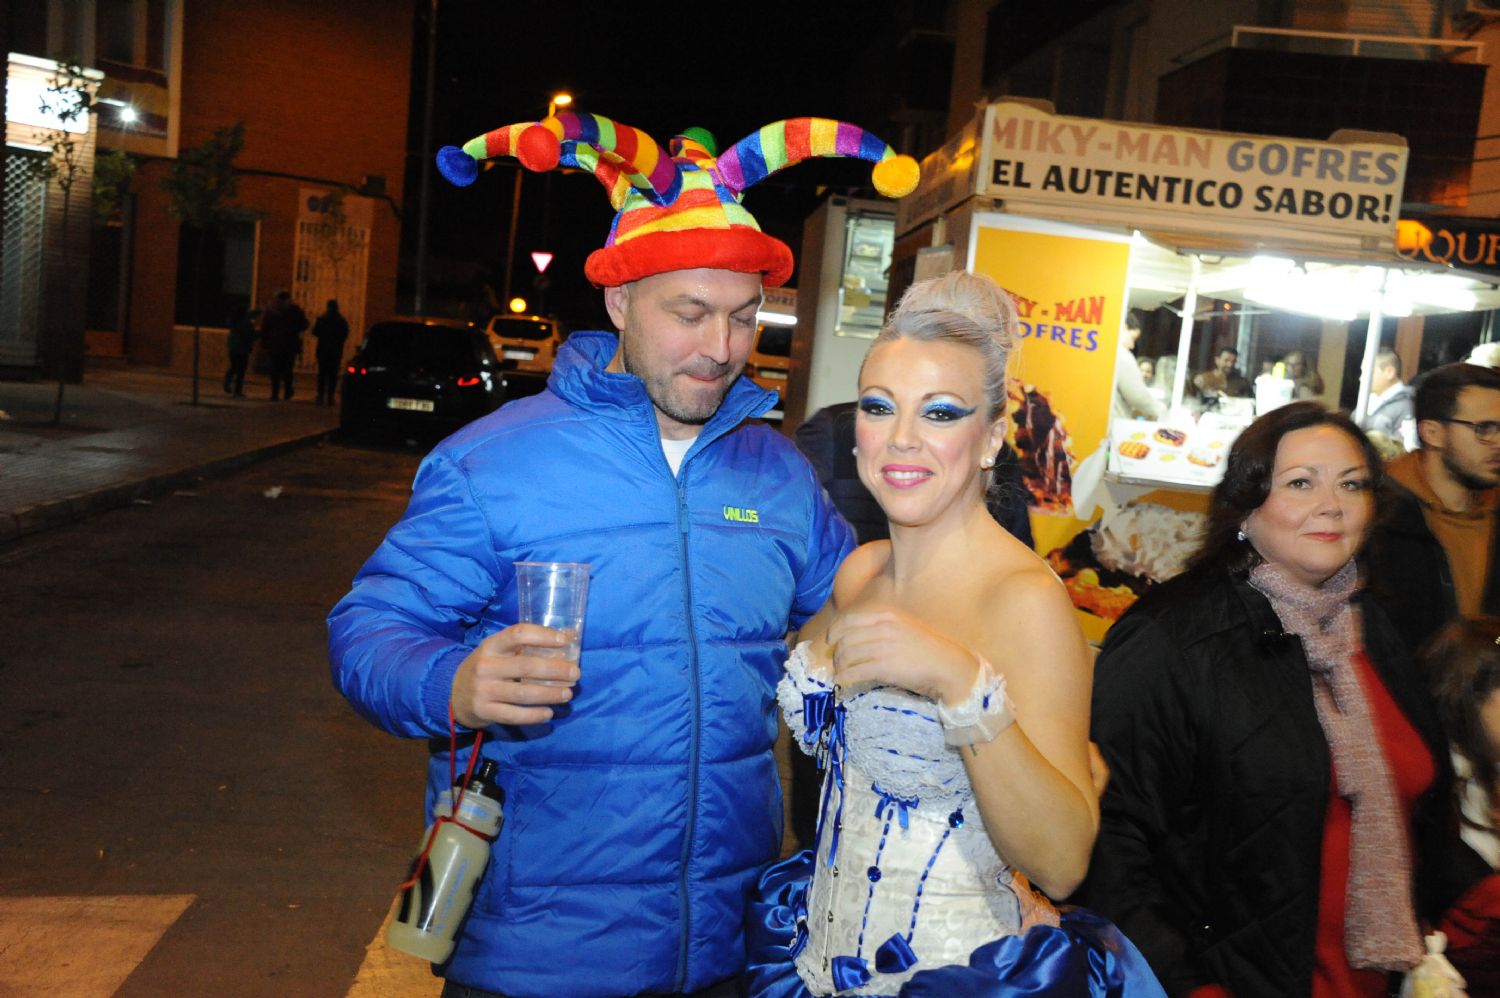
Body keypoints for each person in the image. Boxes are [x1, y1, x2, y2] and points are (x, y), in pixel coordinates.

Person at [329, 110, 919, 998]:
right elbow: (369, 627)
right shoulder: (495, 461)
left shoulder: (776, 470)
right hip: (536, 957)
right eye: (690, 313)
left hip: (727, 944)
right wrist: (450, 683)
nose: (721, 349)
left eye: (743, 317)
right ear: (618, 302)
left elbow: (854, 614)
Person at [745, 271, 1164, 997]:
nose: (901, 439)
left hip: (956, 976)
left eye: (940, 413)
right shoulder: (861, 573)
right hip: (813, 961)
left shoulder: (1025, 599)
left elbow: (1063, 860)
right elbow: (773, 691)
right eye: (879, 408)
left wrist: (959, 685)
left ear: (991, 438)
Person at [1081, 400, 1490, 997]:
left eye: (1352, 485)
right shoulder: (1173, 638)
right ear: (1246, 505)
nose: (1332, 505)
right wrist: (1189, 986)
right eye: (1301, 483)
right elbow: (1110, 837)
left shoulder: (1370, 627)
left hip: (1376, 978)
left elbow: (1419, 817)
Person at [1365, 362, 1500, 655]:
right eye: (1485, 429)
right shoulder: (1376, 516)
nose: (1498, 443)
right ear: (1432, 432)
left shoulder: (1493, 512)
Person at [1114, 311, 1165, 421]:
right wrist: (1160, 409)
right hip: (1110, 424)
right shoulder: (1121, 354)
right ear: (1123, 328)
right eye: (1132, 338)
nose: (1132, 346)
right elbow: (1137, 397)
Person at [1360, 348, 1414, 447]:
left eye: (1366, 372)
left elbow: (1404, 450)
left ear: (1389, 372)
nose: (1361, 378)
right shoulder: (1366, 401)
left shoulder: (1406, 408)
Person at [260, 290, 308, 401]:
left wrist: (265, 343)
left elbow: (265, 328)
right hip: (288, 344)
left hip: (276, 344)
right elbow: (304, 324)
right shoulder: (294, 310)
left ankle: (276, 392)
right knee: (286, 369)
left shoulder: (272, 311)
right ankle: (286, 390)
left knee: (276, 369)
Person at [312, 299, 350, 405]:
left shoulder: (323, 319)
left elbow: (315, 332)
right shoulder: (341, 320)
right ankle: (330, 396)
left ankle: (320, 395)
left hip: (323, 350)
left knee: (322, 374)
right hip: (336, 351)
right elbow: (345, 334)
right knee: (333, 374)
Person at [223, 306, 258, 398]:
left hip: (233, 348)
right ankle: (237, 391)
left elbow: (253, 314)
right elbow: (250, 335)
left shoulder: (235, 321)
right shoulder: (245, 323)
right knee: (241, 370)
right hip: (242, 349)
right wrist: (260, 333)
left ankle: (227, 380)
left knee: (234, 366)